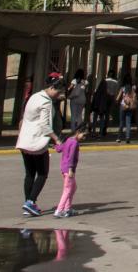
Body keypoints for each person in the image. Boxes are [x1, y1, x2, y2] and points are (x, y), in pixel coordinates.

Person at [15, 72, 66, 219]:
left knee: (30, 174)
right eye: (59, 92)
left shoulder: (34, 96)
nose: (58, 95)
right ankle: (31, 202)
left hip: (24, 141)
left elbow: (25, 117)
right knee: (42, 173)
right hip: (37, 143)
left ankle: (27, 204)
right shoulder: (46, 102)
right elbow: (45, 125)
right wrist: (56, 139)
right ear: (53, 88)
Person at [52, 126, 86, 217]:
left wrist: (56, 145)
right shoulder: (74, 143)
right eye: (83, 134)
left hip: (64, 168)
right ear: (78, 132)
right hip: (68, 169)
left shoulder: (68, 140)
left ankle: (67, 209)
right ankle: (59, 210)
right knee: (67, 190)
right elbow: (71, 157)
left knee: (73, 188)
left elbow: (59, 149)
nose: (84, 137)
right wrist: (71, 169)